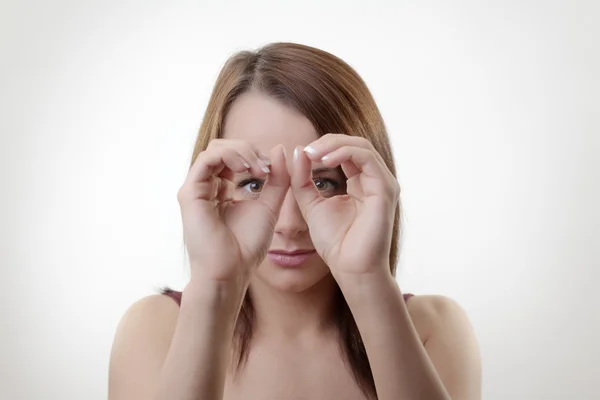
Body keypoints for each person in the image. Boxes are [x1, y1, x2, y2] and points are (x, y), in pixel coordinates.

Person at [108, 42, 482, 400]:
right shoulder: (154, 331)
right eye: (254, 183)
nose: (288, 224)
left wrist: (367, 280)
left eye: (322, 182)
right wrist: (214, 286)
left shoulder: (434, 330)